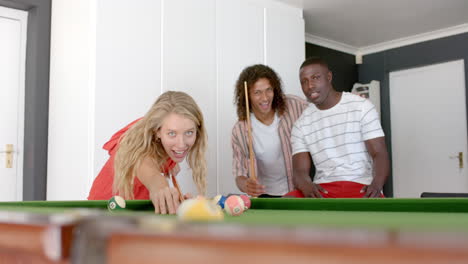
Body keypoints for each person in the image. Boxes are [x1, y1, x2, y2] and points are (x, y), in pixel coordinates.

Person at [88, 91, 207, 214]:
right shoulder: (138, 145)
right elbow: (150, 174)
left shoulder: (163, 138)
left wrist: (180, 203)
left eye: (189, 132)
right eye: (172, 133)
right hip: (102, 216)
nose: (181, 144)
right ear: (157, 131)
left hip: (135, 216)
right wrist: (162, 187)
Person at [289, 57, 390, 198]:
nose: (310, 85)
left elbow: (379, 153)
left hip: (361, 186)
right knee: (287, 201)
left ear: (329, 77)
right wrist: (307, 185)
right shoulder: (300, 125)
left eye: (315, 78)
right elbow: (299, 171)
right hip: (324, 189)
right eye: (304, 81)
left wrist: (377, 185)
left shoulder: (361, 106)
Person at [231, 64, 308, 197]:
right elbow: (239, 174)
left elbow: (319, 118)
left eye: (268, 90)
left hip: (298, 190)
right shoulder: (239, 130)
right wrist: (246, 185)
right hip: (265, 195)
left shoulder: (295, 105)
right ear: (247, 96)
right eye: (257, 92)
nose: (265, 98)